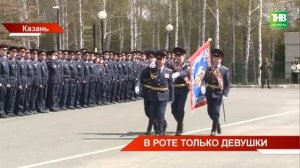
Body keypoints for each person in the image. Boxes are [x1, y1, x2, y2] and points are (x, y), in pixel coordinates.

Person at [204, 49, 230, 136]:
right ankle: (217, 123)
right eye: (214, 57)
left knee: (215, 112)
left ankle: (213, 130)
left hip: (218, 94)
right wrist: (203, 86)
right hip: (209, 92)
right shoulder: (208, 69)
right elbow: (205, 80)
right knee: (209, 112)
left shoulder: (224, 70)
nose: (215, 59)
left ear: (221, 59)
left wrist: (225, 95)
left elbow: (227, 85)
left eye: (217, 58)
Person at [148, 51, 174, 136]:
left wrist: (171, 97)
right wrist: (150, 66)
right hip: (154, 94)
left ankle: (160, 132)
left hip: (164, 95)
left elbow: (171, 85)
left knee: (160, 113)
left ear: (164, 60)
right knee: (154, 114)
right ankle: (161, 127)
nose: (159, 61)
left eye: (161, 59)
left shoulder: (168, 71)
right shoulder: (152, 70)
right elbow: (144, 76)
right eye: (158, 59)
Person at [170, 47, 190, 136]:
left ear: (183, 56)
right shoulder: (171, 64)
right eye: (177, 56)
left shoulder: (187, 64)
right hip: (174, 89)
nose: (178, 57)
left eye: (180, 56)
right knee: (173, 110)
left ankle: (179, 128)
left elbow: (186, 72)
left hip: (183, 89)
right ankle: (180, 122)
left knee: (180, 108)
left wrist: (178, 73)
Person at [0, 44, 9, 118]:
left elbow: (8, 72)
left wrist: (8, 82)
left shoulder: (5, 59)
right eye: (3, 50)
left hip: (5, 81)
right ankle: (1, 112)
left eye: (6, 50)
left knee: (3, 97)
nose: (5, 51)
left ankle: (2, 110)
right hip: (1, 81)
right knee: (1, 97)